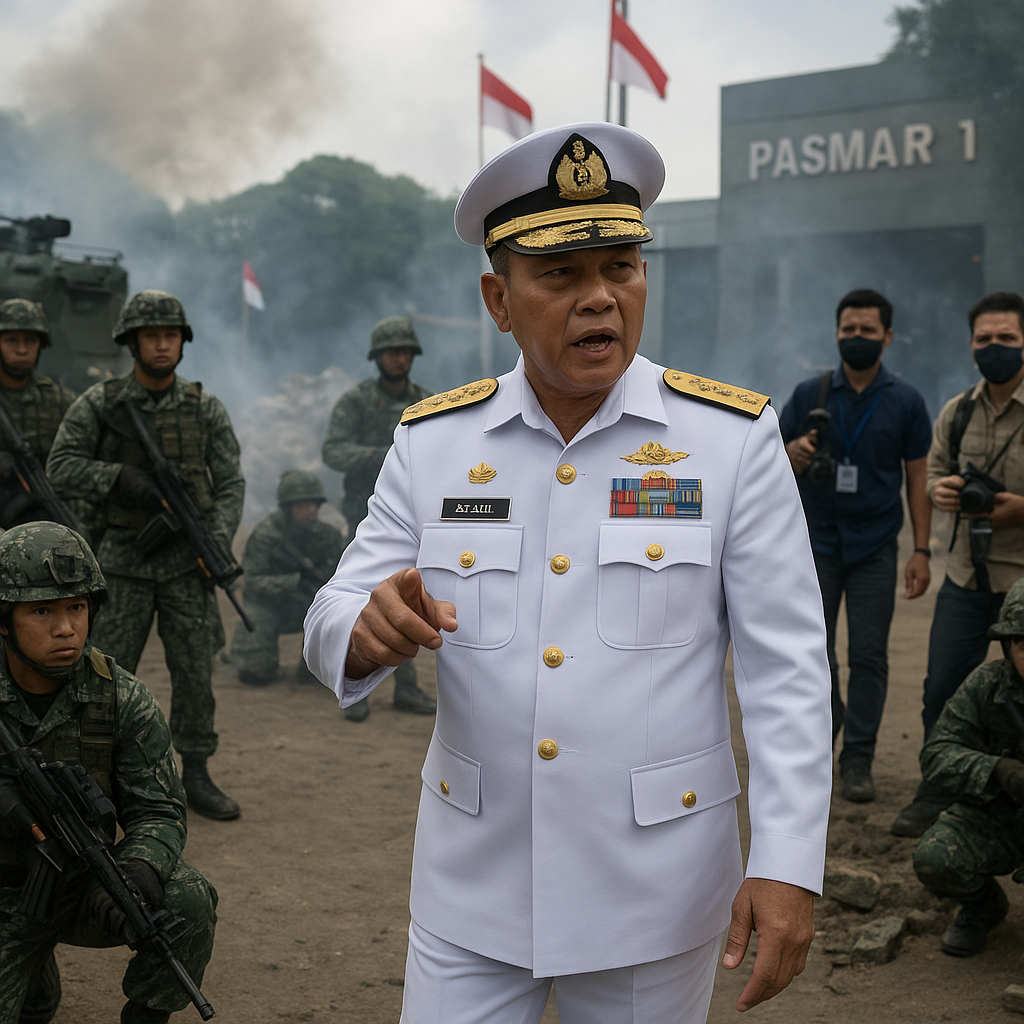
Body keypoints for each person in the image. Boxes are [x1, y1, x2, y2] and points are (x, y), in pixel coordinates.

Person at [304, 123, 832, 1024]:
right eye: (562, 276)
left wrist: (786, 861)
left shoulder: (728, 442)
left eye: (622, 268)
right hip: (473, 879)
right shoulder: (434, 444)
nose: (601, 299)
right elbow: (340, 606)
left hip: (655, 886)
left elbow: (789, 672)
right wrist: (360, 633)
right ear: (497, 299)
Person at [0, 522, 217, 1024]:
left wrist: (136, 870)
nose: (65, 628)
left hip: (80, 884)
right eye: (41, 611)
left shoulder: (120, 696)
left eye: (76, 607)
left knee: (186, 898)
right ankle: (33, 983)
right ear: (4, 621)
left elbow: (159, 809)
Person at [45, 290, 245, 821]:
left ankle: (196, 770)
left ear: (183, 343)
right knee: (103, 676)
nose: (163, 345)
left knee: (196, 673)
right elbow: (60, 465)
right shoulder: (101, 403)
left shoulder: (204, 408)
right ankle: (96, 775)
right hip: (123, 564)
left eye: (171, 336)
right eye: (152, 336)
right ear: (132, 342)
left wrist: (216, 539)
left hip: (186, 563)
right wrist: (118, 478)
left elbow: (229, 482)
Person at [779, 289, 932, 804]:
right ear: (837, 331)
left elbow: (917, 478)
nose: (857, 338)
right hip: (816, 542)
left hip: (875, 546)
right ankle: (822, 746)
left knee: (868, 655)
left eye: (868, 331)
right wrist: (793, 451)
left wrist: (922, 550)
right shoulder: (809, 395)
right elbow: (770, 462)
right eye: (849, 330)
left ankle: (858, 759)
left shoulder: (906, 400)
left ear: (887, 337)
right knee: (815, 655)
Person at [893, 291, 1024, 838]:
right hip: (967, 576)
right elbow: (933, 474)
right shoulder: (958, 410)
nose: (994, 348)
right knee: (942, 687)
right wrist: (945, 492)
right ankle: (938, 788)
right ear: (972, 346)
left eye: (1007, 339)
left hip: (1023, 583)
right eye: (985, 340)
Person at [321, 315, 436, 722]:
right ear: (377, 357)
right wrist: (384, 456)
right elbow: (333, 451)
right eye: (391, 352)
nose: (398, 358)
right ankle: (359, 684)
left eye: (404, 351)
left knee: (409, 595)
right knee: (363, 594)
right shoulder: (355, 402)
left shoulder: (427, 402)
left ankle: (407, 688)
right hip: (360, 511)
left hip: (412, 512)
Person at [911, 575, 1024, 958]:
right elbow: (937, 753)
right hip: (998, 816)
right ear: (1008, 646)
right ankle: (983, 906)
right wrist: (997, 770)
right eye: (1022, 645)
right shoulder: (989, 684)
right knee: (936, 858)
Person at [230, 469, 343, 687]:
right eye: (302, 505)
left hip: (310, 604)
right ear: (288, 507)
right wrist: (294, 582)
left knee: (334, 615)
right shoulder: (267, 534)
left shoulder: (328, 536)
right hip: (268, 605)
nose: (311, 511)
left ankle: (313, 666)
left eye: (314, 504)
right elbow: (252, 580)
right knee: (255, 674)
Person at [0, 299, 77, 529]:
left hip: (44, 521)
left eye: (30, 340)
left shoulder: (61, 401)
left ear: (41, 345)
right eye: (12, 340)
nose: (22, 349)